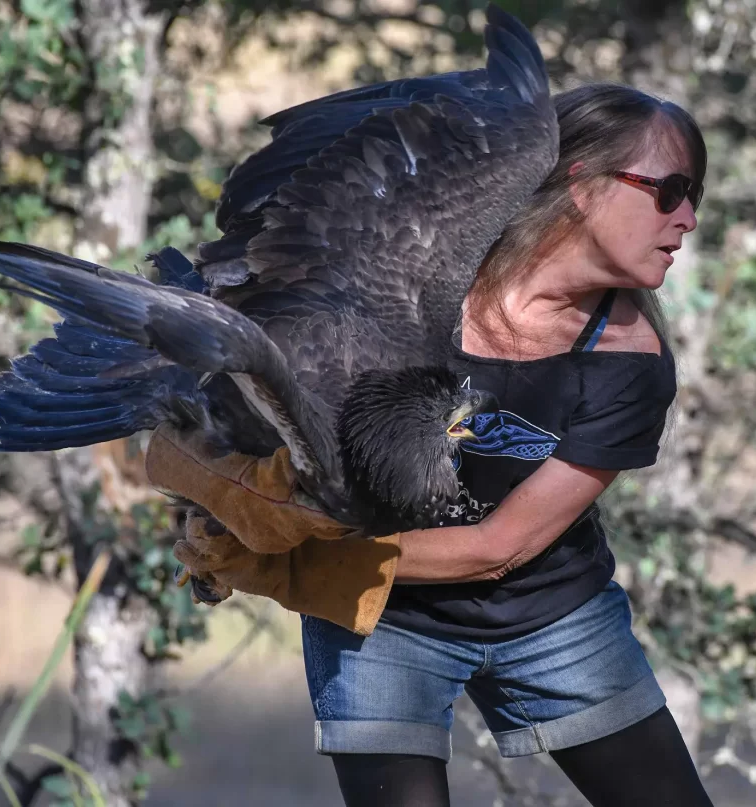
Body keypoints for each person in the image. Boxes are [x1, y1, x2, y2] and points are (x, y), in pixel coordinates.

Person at [148, 81, 714, 807]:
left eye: (693, 194)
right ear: (581, 183)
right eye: (667, 190)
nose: (688, 218)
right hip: (381, 624)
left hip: (553, 617)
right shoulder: (415, 276)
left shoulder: (631, 362)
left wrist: (287, 556)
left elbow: (500, 547)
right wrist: (234, 498)